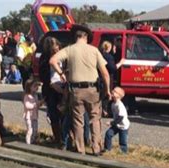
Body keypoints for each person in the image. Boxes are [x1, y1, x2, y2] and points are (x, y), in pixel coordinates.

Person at [50, 24, 110, 155]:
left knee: (78, 121)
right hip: (92, 89)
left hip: (76, 90)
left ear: (75, 36)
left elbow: (53, 60)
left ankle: (80, 149)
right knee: (95, 119)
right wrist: (108, 90)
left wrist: (61, 74)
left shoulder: (69, 49)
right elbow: (105, 73)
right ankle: (96, 148)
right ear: (86, 37)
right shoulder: (94, 50)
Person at [39, 37, 63, 144]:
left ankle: (65, 137)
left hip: (63, 89)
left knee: (64, 114)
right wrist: (51, 84)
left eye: (57, 44)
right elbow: (42, 75)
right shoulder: (44, 58)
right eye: (53, 45)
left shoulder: (63, 56)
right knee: (53, 115)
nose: (55, 47)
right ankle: (58, 138)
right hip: (50, 89)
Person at [103, 87, 130, 153]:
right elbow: (114, 113)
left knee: (122, 141)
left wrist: (111, 123)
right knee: (108, 134)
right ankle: (107, 148)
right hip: (116, 124)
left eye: (115, 92)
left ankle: (123, 152)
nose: (112, 92)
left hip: (123, 126)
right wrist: (107, 113)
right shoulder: (113, 103)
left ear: (119, 96)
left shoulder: (120, 105)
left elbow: (120, 117)